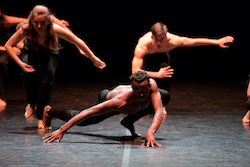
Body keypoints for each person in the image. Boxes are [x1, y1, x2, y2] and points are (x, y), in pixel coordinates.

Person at [5, 5, 106, 128]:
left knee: (45, 83)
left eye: (43, 23)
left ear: (48, 21)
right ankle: (31, 103)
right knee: (28, 74)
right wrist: (20, 63)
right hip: (31, 53)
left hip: (49, 54)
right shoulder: (26, 29)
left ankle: (40, 116)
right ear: (31, 21)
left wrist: (93, 58)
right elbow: (8, 45)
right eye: (36, 23)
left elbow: (77, 41)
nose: (39, 26)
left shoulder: (54, 29)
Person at [132, 22, 234, 114]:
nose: (159, 43)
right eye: (156, 40)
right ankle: (144, 104)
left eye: (162, 39)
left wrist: (217, 42)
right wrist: (157, 74)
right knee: (143, 79)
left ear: (166, 36)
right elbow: (135, 71)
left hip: (162, 56)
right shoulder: (143, 45)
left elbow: (193, 42)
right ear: (152, 37)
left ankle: (162, 104)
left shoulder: (173, 40)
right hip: (148, 58)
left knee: (166, 72)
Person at [43, 71, 164, 148]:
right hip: (109, 98)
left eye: (144, 89)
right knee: (85, 120)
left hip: (132, 107)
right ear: (133, 88)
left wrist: (151, 132)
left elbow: (159, 110)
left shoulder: (152, 85)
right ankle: (50, 111)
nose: (142, 93)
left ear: (149, 86)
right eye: (138, 90)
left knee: (165, 96)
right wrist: (62, 130)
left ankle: (128, 121)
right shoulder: (120, 101)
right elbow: (88, 112)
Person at [0, 6, 27, 107]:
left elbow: (29, 21)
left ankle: (2, 97)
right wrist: (9, 48)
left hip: (4, 50)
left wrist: (20, 42)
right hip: (4, 48)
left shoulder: (5, 20)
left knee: (1, 63)